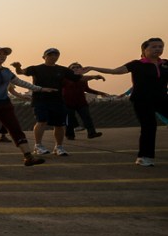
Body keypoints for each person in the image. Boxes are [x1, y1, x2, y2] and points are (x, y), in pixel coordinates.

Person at [82, 37, 167, 167]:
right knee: (149, 127)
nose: (158, 49)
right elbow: (115, 71)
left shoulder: (165, 64)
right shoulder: (136, 64)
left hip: (162, 99)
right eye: (154, 47)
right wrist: (93, 68)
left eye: (160, 46)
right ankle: (144, 157)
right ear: (144, 49)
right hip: (142, 100)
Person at [11, 48, 81, 156]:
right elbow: (21, 72)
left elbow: (78, 78)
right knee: (41, 121)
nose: (53, 57)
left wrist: (93, 76)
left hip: (57, 100)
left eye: (56, 55)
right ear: (44, 57)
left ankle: (59, 147)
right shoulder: (36, 68)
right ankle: (38, 146)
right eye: (50, 55)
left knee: (59, 125)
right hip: (40, 100)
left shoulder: (62, 70)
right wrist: (18, 67)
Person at [63, 62, 109, 141]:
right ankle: (70, 135)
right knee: (69, 119)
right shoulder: (65, 78)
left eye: (78, 67)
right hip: (68, 102)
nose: (76, 68)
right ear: (69, 70)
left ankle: (91, 133)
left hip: (81, 102)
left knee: (87, 118)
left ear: (82, 70)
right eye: (73, 67)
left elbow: (87, 89)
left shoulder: (84, 79)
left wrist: (100, 93)